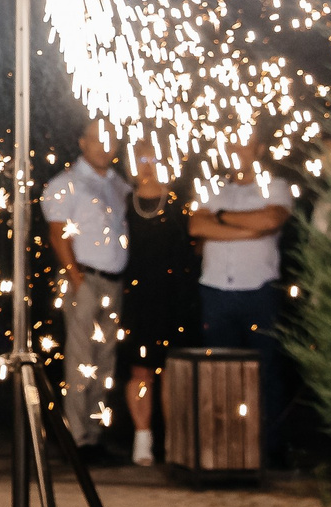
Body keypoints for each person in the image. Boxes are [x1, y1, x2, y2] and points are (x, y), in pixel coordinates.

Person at [192, 137, 293, 469]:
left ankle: (270, 448)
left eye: (244, 145)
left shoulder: (275, 186)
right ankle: (224, 448)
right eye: (231, 145)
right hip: (215, 290)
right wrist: (247, 228)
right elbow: (196, 224)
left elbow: (270, 221)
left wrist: (219, 218)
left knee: (265, 370)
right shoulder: (211, 186)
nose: (236, 151)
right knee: (220, 371)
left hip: (259, 289)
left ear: (259, 149)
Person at [39, 121, 129, 459]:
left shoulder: (118, 184)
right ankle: (75, 439)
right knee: (81, 361)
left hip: (113, 280)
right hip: (84, 279)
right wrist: (77, 280)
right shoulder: (66, 183)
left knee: (104, 362)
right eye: (97, 140)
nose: (105, 147)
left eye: (111, 140)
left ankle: (94, 436)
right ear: (82, 143)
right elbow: (57, 234)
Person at [120, 154, 196, 467]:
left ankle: (174, 441)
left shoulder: (181, 201)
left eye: (154, 157)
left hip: (176, 295)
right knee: (141, 370)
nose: (147, 164)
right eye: (140, 157)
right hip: (137, 296)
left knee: (173, 370)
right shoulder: (123, 201)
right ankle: (142, 439)